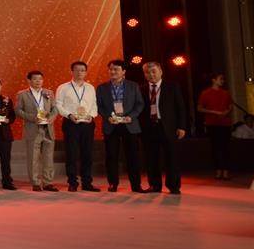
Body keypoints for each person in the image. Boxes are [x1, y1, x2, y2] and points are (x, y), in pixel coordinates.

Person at [95, 59, 145, 193]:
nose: (112, 72)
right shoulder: (102, 88)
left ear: (123, 72)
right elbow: (99, 106)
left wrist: (131, 116)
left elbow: (139, 104)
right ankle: (113, 183)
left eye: (116, 69)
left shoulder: (133, 86)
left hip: (129, 124)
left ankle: (136, 185)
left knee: (133, 156)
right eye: (110, 69)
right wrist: (108, 117)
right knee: (111, 156)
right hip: (111, 124)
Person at [140, 61, 187, 195]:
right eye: (147, 72)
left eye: (154, 71)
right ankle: (154, 185)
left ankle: (173, 186)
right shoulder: (141, 89)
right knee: (151, 158)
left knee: (171, 157)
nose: (151, 74)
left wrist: (182, 127)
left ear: (161, 72)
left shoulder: (172, 87)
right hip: (149, 127)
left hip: (168, 127)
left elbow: (180, 108)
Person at [55, 61, 99, 192]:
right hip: (71, 123)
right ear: (72, 71)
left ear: (85, 72)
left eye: (82, 70)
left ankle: (87, 182)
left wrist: (92, 116)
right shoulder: (63, 87)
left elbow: (94, 105)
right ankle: (72, 182)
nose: (80, 72)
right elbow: (58, 105)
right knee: (71, 154)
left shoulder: (90, 88)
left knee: (87, 154)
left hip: (87, 123)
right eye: (77, 70)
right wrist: (69, 115)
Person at [15, 71, 59, 192]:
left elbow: (55, 108)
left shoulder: (49, 93)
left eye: (40, 79)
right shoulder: (22, 94)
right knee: (33, 158)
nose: (38, 81)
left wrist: (51, 118)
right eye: (35, 79)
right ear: (29, 81)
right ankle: (35, 182)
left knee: (48, 157)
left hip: (48, 129)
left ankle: (48, 183)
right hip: (33, 128)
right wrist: (33, 118)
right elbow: (18, 111)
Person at [198, 73, 233, 180]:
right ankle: (218, 170)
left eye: (223, 79)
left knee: (225, 147)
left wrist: (226, 112)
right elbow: (199, 108)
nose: (223, 81)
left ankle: (226, 171)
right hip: (212, 123)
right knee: (215, 147)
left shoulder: (226, 93)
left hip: (225, 123)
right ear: (213, 80)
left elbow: (230, 106)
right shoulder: (205, 93)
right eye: (220, 79)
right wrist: (215, 112)